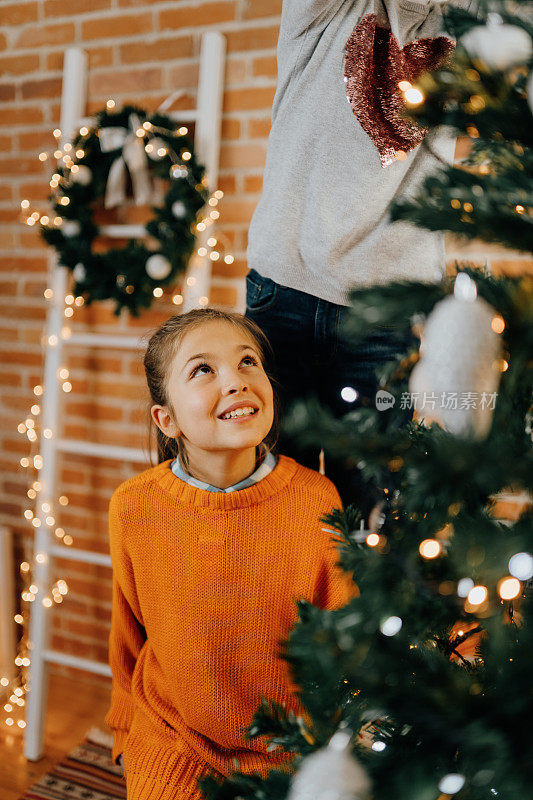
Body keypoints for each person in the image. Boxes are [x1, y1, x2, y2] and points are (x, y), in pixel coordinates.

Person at [105, 308, 355, 800]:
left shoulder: (315, 498)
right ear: (167, 419)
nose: (237, 382)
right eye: (203, 369)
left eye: (248, 362)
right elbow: (128, 635)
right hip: (175, 738)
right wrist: (125, 735)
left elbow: (342, 632)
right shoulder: (133, 506)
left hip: (291, 747)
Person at [245, 0, 466, 515]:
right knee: (273, 503)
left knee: (373, 515)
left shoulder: (466, 20)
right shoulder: (327, 11)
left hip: (387, 309)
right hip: (285, 292)